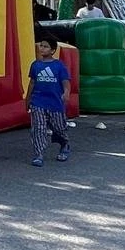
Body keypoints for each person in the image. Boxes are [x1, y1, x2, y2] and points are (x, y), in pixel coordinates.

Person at [27, 37, 72, 167]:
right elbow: (32, 83)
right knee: (38, 128)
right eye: (41, 45)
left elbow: (65, 81)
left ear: (52, 50)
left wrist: (66, 92)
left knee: (59, 127)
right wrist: (28, 99)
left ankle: (64, 144)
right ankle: (39, 154)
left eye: (45, 46)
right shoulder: (36, 65)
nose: (42, 48)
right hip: (38, 102)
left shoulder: (59, 66)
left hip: (55, 102)